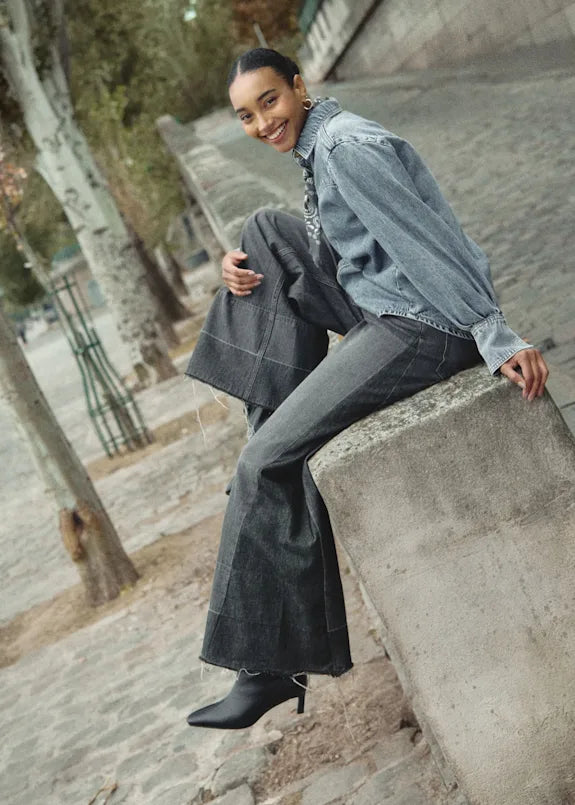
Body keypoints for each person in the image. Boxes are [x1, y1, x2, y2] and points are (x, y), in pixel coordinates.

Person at [185, 48, 549, 730]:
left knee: (263, 462)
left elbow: (430, 244)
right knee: (262, 231)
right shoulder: (320, 143)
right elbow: (348, 250)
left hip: (422, 326)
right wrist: (243, 267)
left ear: (299, 86)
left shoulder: (345, 148)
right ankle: (271, 444)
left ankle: (268, 668)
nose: (262, 122)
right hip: (379, 302)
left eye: (270, 101)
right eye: (245, 115)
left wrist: (494, 333)